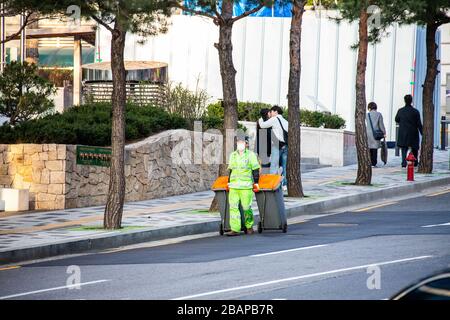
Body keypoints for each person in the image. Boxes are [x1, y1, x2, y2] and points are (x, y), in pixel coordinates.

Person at [227, 136, 261, 236]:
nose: (240, 144)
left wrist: (256, 183)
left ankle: (249, 226)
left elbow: (255, 169)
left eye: (242, 142)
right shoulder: (232, 155)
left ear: (247, 144)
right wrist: (229, 183)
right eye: (238, 142)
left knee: (246, 208)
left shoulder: (251, 155)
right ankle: (235, 229)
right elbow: (231, 170)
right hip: (234, 186)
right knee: (233, 207)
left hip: (246, 186)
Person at [258, 105, 288, 189]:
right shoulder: (286, 121)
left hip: (277, 145)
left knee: (274, 166)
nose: (270, 114)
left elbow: (263, 125)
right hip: (285, 146)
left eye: (271, 112)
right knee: (284, 166)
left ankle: (272, 184)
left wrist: (260, 118)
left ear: (275, 111)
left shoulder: (274, 119)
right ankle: (284, 185)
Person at [395, 94, 423, 167]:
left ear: (404, 101)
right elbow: (419, 123)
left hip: (403, 132)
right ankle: (415, 161)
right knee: (414, 148)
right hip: (413, 132)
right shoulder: (415, 111)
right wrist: (422, 132)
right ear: (411, 101)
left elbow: (396, 119)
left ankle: (404, 162)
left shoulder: (401, 110)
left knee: (404, 148)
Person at [366, 102, 386, 167]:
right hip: (376, 134)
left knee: (369, 148)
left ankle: (369, 162)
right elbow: (381, 124)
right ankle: (374, 163)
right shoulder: (379, 114)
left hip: (368, 133)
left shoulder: (367, 115)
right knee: (375, 148)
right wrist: (384, 132)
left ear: (369, 108)